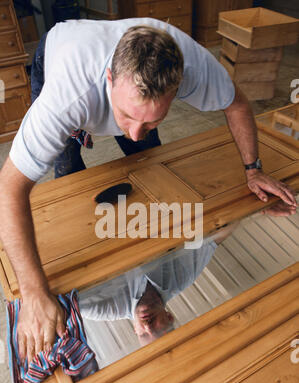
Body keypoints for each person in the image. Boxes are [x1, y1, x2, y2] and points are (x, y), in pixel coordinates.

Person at [0, 18, 296, 364]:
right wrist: (34, 292)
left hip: (108, 81)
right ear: (109, 79)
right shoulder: (67, 97)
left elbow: (238, 104)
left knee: (149, 165)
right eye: (126, 116)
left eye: (154, 120)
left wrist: (253, 170)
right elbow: (9, 189)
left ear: (178, 90)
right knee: (67, 179)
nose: (136, 132)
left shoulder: (193, 67)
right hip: (56, 53)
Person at [79, 222, 238, 347]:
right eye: (156, 330)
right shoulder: (182, 278)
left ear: (135, 330)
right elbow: (216, 236)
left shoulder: (102, 309)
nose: (147, 327)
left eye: (143, 335)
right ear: (169, 317)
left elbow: (61, 303)